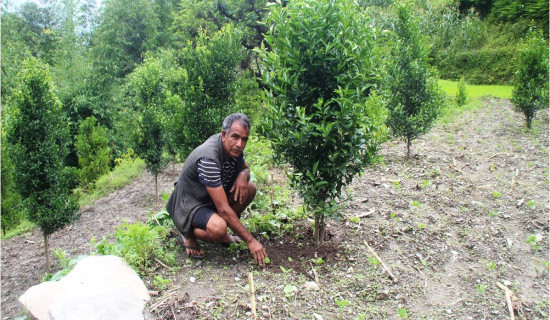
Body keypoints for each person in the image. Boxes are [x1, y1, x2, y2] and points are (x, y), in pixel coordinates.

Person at [166, 113, 267, 266]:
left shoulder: (233, 149)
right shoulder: (209, 158)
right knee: (219, 228)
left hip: (209, 197)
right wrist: (250, 241)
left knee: (250, 188)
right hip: (190, 203)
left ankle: (218, 230)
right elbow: (223, 208)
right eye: (235, 137)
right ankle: (187, 234)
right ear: (224, 135)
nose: (240, 144)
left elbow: (246, 169)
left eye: (244, 139)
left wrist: (242, 174)